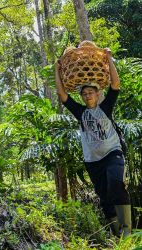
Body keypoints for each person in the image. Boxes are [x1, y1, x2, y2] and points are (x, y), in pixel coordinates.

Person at [55, 48, 131, 237]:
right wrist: (56, 70)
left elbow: (115, 84)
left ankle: (127, 230)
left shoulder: (106, 107)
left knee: (116, 183)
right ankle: (116, 233)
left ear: (98, 94)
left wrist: (109, 58)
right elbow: (62, 95)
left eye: (91, 92)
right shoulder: (80, 113)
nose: (88, 95)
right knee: (104, 196)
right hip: (93, 161)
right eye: (85, 93)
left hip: (112, 153)